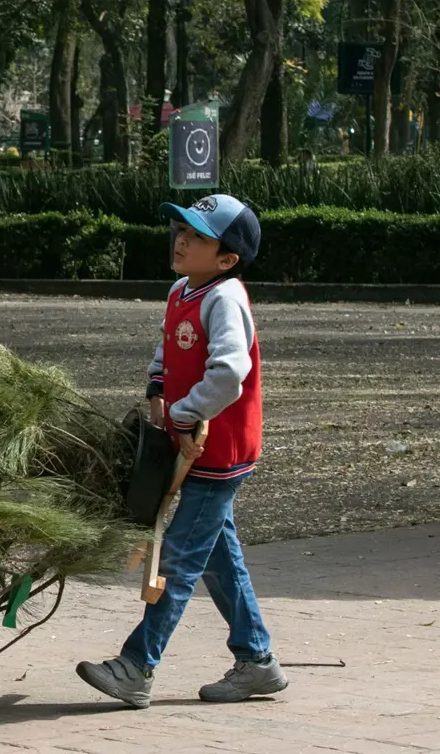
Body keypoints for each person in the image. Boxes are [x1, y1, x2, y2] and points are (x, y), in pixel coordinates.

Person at [75, 194, 287, 709]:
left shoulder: (225, 298)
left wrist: (184, 413)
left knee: (179, 560)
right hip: (188, 445)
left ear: (227, 259)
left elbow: (230, 373)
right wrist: (157, 392)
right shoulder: (181, 290)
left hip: (218, 452)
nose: (182, 238)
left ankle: (137, 666)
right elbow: (165, 350)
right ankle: (257, 661)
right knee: (219, 557)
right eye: (182, 229)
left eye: (197, 235)